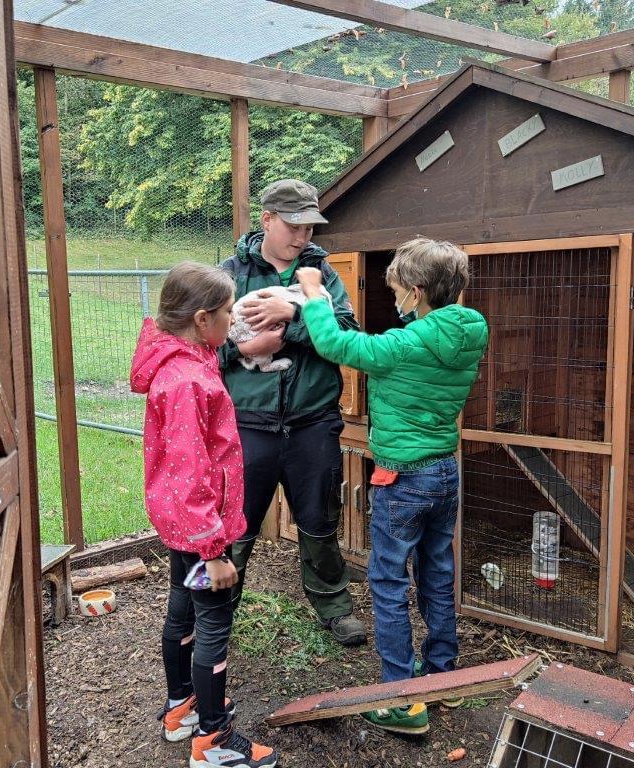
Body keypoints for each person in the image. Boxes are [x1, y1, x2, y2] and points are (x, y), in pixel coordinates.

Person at [296, 237, 488, 735]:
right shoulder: (471, 331)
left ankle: (401, 699)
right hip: (445, 470)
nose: (395, 298)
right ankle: (440, 674)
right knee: (437, 571)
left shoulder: (402, 346)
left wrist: (315, 294)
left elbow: (336, 345)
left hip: (404, 477)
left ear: (417, 291)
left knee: (387, 581)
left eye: (399, 289)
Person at [130, 261, 277, 768]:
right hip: (203, 528)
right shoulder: (188, 378)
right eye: (228, 312)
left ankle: (182, 707)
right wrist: (214, 551)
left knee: (182, 609)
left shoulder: (183, 360)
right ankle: (213, 741)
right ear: (200, 318)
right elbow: (192, 469)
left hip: (181, 523)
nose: (233, 320)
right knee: (213, 621)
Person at [219, 178, 366, 646]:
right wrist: (250, 346)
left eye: (310, 227)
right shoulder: (230, 273)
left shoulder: (320, 271)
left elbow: (344, 331)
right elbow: (199, 344)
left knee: (320, 517)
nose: (303, 237)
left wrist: (290, 318)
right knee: (235, 522)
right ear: (267, 219)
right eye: (294, 226)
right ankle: (217, 610)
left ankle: (333, 605)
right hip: (248, 423)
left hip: (311, 421)